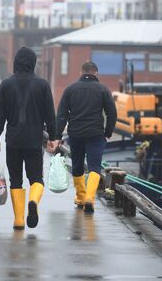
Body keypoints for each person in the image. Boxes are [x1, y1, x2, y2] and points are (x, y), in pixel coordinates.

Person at [0, 46, 57, 230]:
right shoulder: (43, 85)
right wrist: (52, 137)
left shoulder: (5, 84)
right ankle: (33, 201)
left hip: (13, 140)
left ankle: (19, 220)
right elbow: (50, 115)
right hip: (34, 141)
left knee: (16, 180)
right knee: (36, 178)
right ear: (33, 63)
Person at [54, 61, 117, 214]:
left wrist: (57, 135)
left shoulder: (70, 89)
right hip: (96, 134)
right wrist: (108, 132)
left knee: (77, 165)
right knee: (94, 166)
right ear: (96, 73)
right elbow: (112, 113)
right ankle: (90, 198)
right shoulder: (103, 89)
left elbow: (62, 115)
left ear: (81, 73)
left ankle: (81, 198)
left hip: (75, 134)